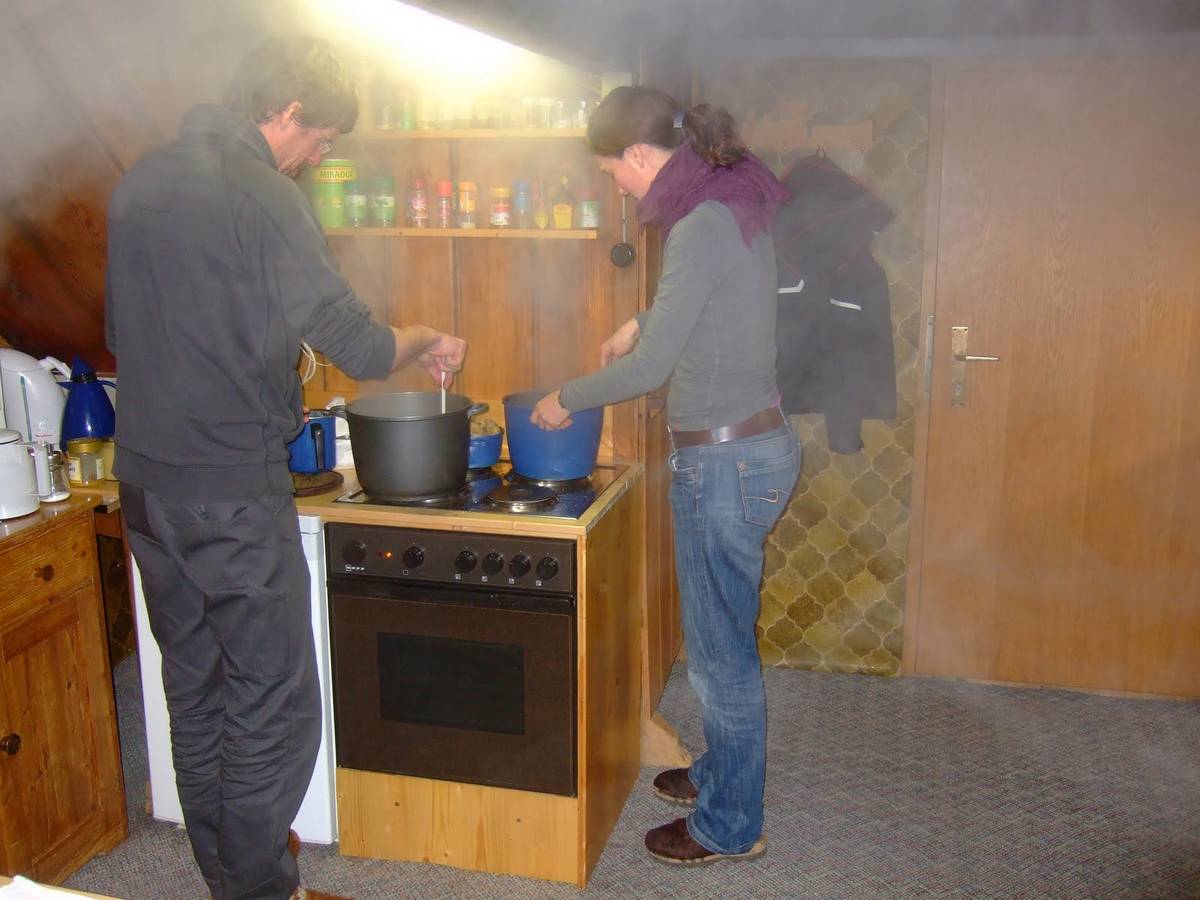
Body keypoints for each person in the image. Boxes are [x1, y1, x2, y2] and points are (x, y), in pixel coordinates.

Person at [105, 37, 466, 900]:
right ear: (289, 111)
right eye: (321, 139)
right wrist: (426, 337)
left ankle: (236, 882)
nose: (315, 157)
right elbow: (362, 347)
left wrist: (258, 374)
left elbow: (126, 334)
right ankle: (261, 890)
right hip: (228, 493)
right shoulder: (263, 193)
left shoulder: (139, 181)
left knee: (197, 691)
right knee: (273, 704)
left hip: (148, 487)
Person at [531, 86, 798, 866]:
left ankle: (728, 825)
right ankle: (720, 774)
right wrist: (642, 319)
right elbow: (720, 311)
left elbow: (650, 370)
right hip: (748, 448)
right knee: (723, 640)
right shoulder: (731, 200)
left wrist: (563, 398)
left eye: (613, 169)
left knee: (720, 660)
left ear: (641, 155)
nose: (617, 185)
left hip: (725, 463)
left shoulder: (702, 222)